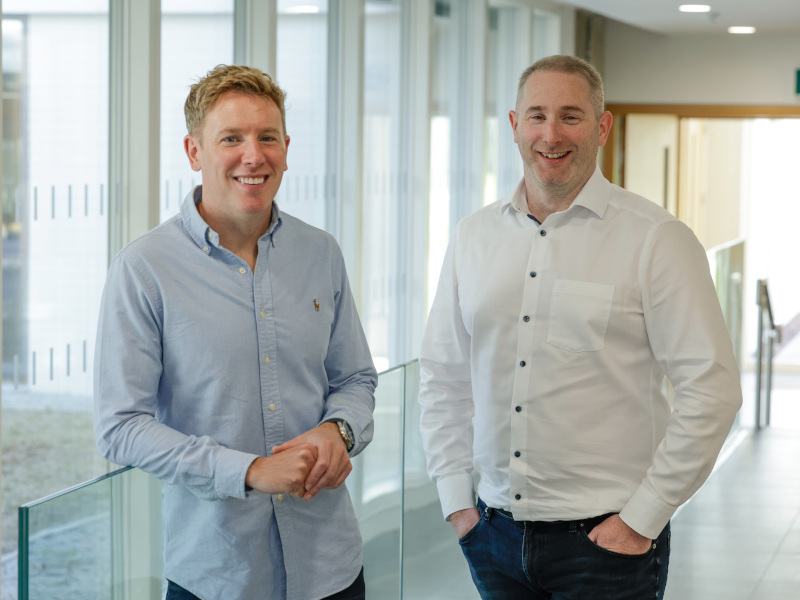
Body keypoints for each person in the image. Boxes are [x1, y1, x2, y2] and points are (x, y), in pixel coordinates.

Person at [418, 54, 741, 599]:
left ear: (602, 127)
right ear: (515, 125)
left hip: (606, 542)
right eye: (537, 116)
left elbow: (711, 389)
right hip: (493, 535)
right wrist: (457, 502)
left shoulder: (656, 239)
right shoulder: (473, 236)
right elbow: (443, 375)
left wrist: (644, 517)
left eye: (570, 116)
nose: (551, 133)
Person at [94, 65, 376, 600]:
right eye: (231, 138)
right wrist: (249, 471)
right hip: (218, 576)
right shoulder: (144, 268)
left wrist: (339, 431)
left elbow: (357, 377)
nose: (253, 156)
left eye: (267, 137)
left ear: (286, 148)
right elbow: (120, 426)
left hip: (332, 569)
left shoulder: (321, 253)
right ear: (194, 151)